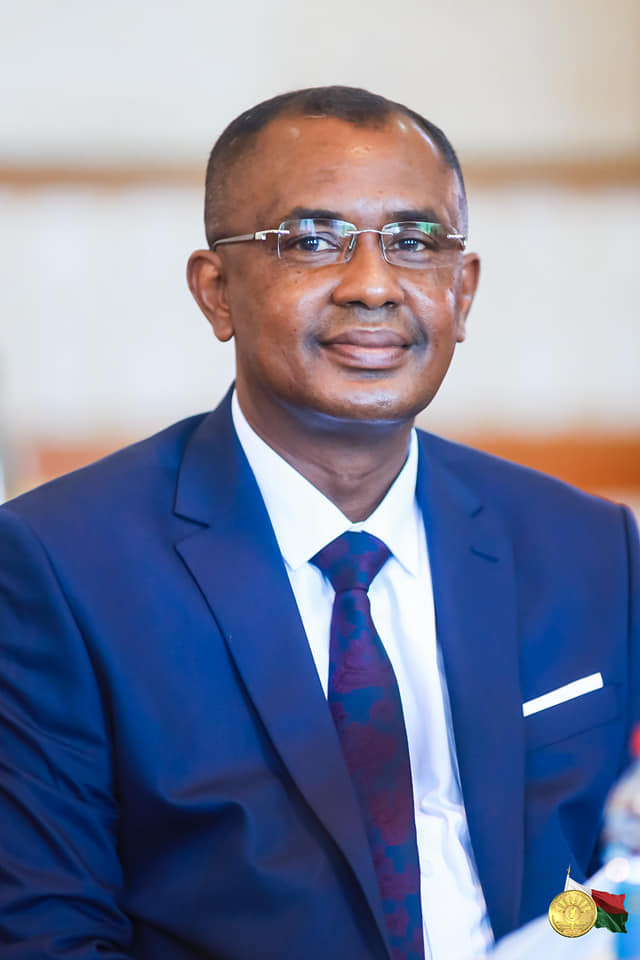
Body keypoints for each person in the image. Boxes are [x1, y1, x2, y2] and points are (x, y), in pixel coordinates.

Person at [0, 86, 638, 960]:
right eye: (311, 241)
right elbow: (47, 934)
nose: (373, 285)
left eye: (415, 243)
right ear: (216, 291)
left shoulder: (588, 547)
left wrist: (574, 938)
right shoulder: (59, 566)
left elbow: (619, 880)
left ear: (462, 292)